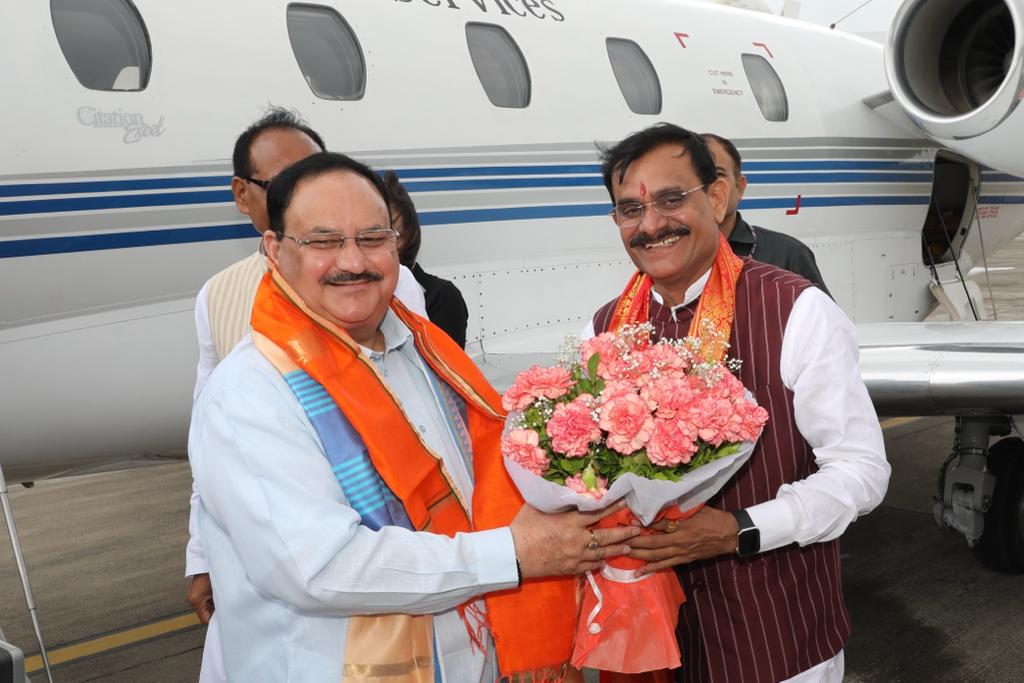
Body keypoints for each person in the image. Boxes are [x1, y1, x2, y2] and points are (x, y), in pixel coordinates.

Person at [188, 151, 640, 681]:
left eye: (373, 238)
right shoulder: (250, 392)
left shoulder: (425, 349)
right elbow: (319, 568)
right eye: (324, 241)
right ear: (274, 250)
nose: (352, 261)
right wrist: (511, 554)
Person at [586, 123, 889, 683]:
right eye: (629, 209)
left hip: (774, 638)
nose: (651, 225)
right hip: (647, 643)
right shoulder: (605, 327)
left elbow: (862, 471)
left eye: (671, 199)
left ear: (717, 196)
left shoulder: (795, 309)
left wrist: (742, 529)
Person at [185, 108, 428, 682]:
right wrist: (200, 556)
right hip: (279, 568)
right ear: (244, 198)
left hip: (391, 558)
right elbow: (206, 439)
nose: (351, 260)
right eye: (282, 183)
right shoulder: (217, 297)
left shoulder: (389, 288)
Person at [702, 133, 831, 296]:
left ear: (740, 187)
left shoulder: (788, 255)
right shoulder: (670, 258)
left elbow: (822, 318)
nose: (710, 186)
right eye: (699, 177)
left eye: (718, 175)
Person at [382, 170, 470, 348]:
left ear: (411, 232)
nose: (383, 243)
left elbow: (447, 368)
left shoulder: (441, 297)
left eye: (392, 233)